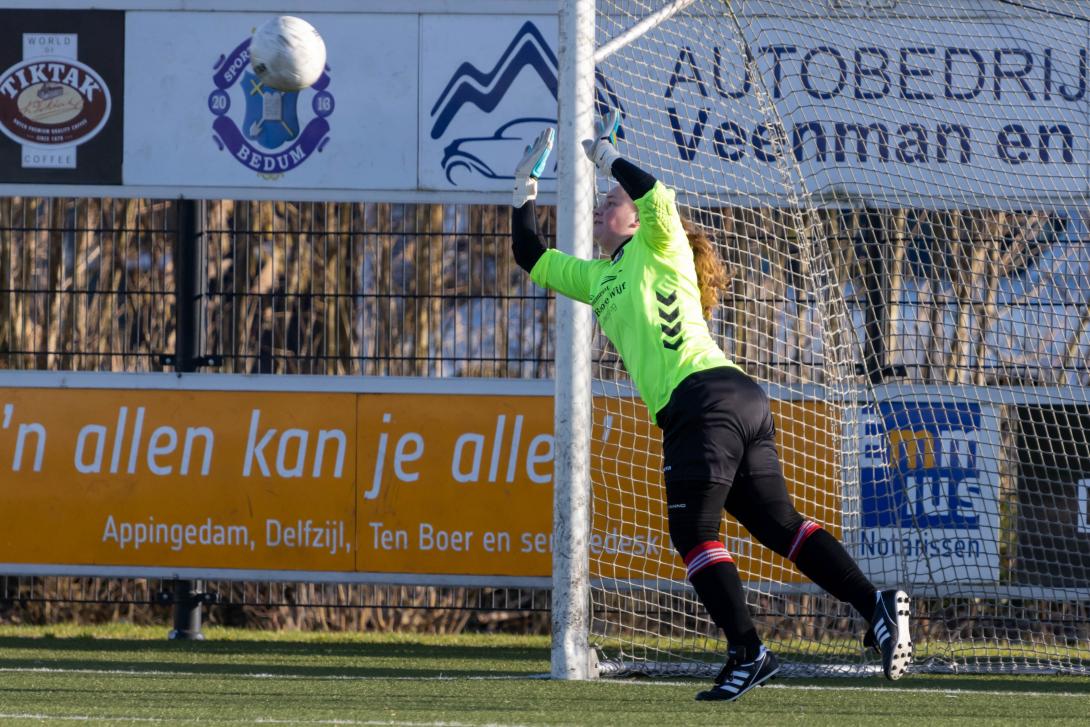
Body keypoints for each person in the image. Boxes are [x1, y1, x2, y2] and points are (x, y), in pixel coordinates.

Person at [509, 113, 912, 702]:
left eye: (610, 200)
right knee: (778, 525)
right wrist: (523, 189)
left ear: (636, 217)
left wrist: (608, 158)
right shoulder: (599, 279)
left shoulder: (661, 241)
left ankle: (749, 652)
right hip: (734, 400)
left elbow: (654, 193)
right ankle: (874, 604)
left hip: (702, 401)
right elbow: (530, 254)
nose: (601, 205)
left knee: (693, 531)